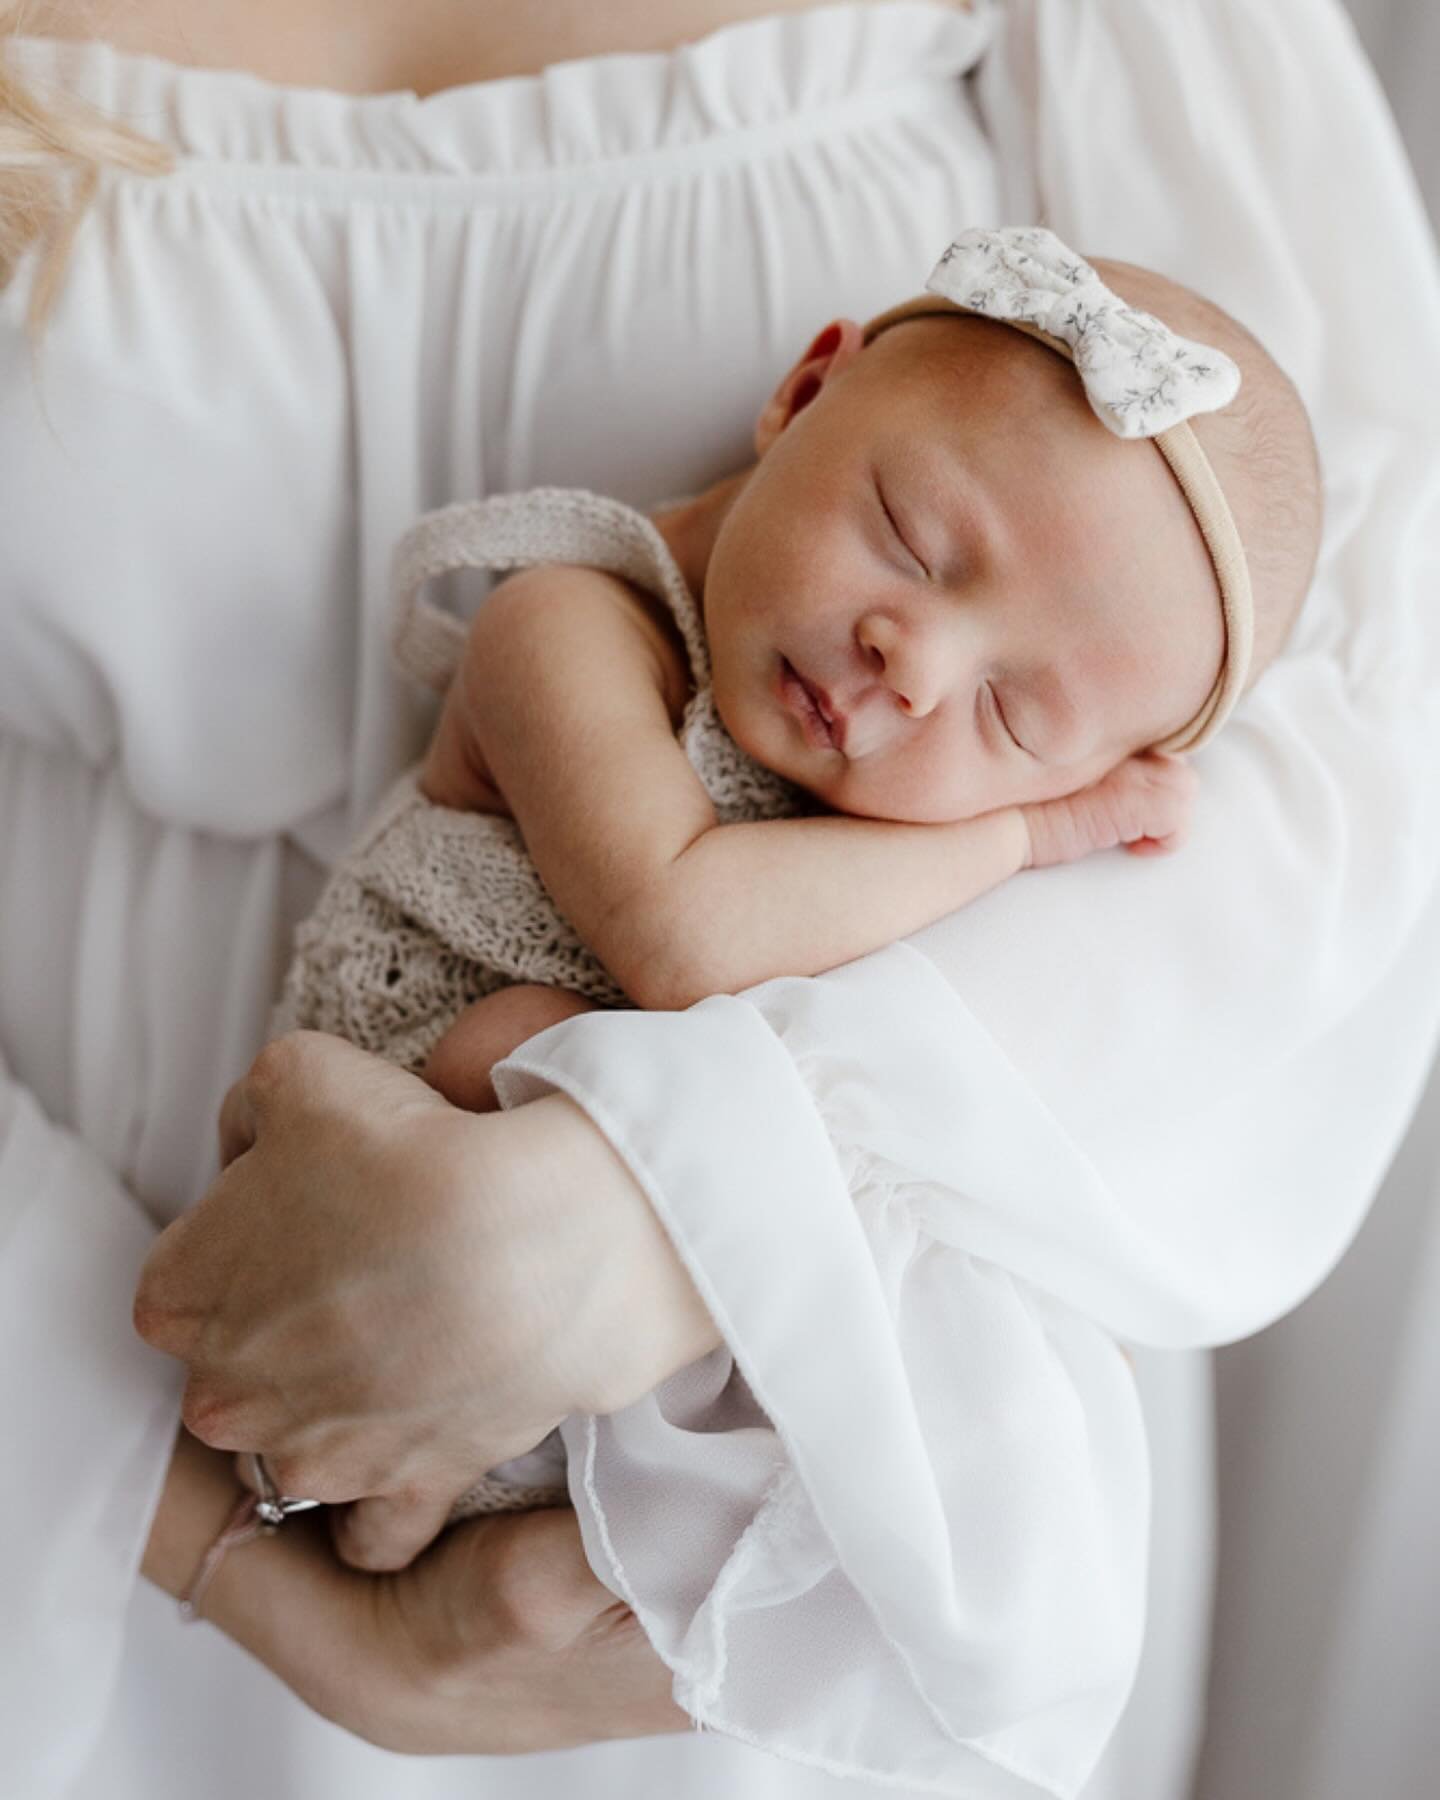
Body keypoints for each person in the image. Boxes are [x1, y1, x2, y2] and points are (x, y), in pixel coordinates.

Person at [6, 3, 1438, 1800]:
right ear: (806, 387)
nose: (910, 661)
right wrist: (1020, 826)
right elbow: (677, 933)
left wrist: (664, 1220)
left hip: (764, 1399)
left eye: (1010, 716)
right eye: (913, 539)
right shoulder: (565, 620)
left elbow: (1372, 693)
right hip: (87, 1372)